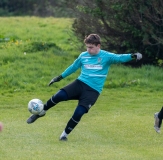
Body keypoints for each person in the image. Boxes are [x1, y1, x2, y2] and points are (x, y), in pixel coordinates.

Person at [26, 34, 142, 141]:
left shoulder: (106, 56)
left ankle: (64, 135)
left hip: (93, 91)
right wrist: (59, 77)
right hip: (80, 83)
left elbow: (120, 58)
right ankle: (41, 112)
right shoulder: (83, 55)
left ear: (98, 46)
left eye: (91, 47)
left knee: (79, 113)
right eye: (87, 47)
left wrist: (133, 56)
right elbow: (73, 67)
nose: (88, 50)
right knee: (59, 95)